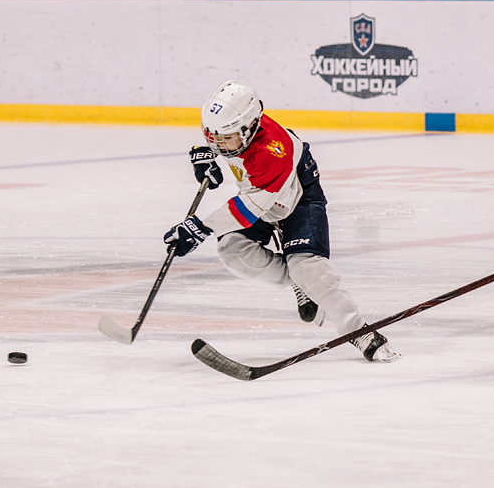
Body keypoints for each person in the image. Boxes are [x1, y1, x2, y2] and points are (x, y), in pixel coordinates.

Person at [163, 80, 400, 362]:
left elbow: (248, 208)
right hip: (261, 196)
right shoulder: (237, 131)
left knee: (308, 267)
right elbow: (222, 141)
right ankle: (300, 281)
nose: (219, 143)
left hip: (298, 199)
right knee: (232, 250)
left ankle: (361, 332)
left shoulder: (272, 152)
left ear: (250, 127)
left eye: (225, 138)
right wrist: (206, 155)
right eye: (213, 136)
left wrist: (199, 228)